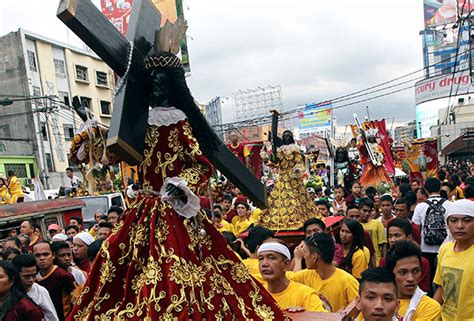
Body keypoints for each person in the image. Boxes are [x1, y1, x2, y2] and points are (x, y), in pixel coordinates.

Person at [66, 50, 287, 320]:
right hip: (143, 208)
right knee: (116, 258)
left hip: (175, 206)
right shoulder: (138, 120)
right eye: (153, 80)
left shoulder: (180, 122)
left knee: (177, 267)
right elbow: (114, 152)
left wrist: (181, 184)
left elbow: (202, 164)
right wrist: (89, 121)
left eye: (163, 80)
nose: (157, 85)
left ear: (172, 85)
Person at [260, 129, 321, 230]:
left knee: (295, 199)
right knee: (279, 199)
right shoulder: (279, 150)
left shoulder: (295, 149)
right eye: (284, 136)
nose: (286, 137)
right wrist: (266, 158)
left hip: (293, 177)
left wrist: (296, 170)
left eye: (288, 136)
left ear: (292, 137)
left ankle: (296, 219)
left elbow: (299, 162)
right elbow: (275, 163)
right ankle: (280, 220)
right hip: (282, 178)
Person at [290, 233, 359, 312]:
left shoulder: (348, 282)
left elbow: (358, 311)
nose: (304, 256)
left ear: (314, 257)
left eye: (305, 252)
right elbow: (286, 280)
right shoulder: (306, 274)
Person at [257, 240, 327, 312]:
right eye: (261, 259)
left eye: (271, 258)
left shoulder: (306, 295)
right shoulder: (257, 295)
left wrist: (305, 316)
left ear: (286, 264)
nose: (264, 264)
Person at [433, 199, 474, 321]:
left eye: (467, 220)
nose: (460, 226)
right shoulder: (445, 250)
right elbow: (441, 288)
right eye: (454, 220)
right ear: (447, 224)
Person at [385, 241, 441, 321]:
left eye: (415, 271)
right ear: (390, 273)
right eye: (403, 272)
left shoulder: (430, 307)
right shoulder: (376, 302)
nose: (410, 278)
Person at [412, 177, 450, 285]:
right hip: (445, 248)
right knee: (443, 280)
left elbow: (415, 228)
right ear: (440, 188)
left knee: (428, 280)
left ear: (426, 190)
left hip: (425, 248)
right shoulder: (449, 205)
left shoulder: (420, 207)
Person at [380, 218, 431, 292]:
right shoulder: (384, 261)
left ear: (409, 238)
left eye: (397, 235)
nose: (392, 240)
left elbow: (423, 290)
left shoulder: (423, 262)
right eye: (390, 236)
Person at [33, 241, 76, 321]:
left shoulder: (63, 276)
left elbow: (76, 301)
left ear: (53, 255)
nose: (42, 258)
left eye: (46, 254)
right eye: (37, 255)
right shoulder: (33, 278)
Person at [12, 254, 59, 321]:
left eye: (34, 275)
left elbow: (52, 317)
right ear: (16, 274)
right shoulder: (8, 290)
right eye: (26, 276)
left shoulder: (40, 291)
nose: (31, 280)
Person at [358, 198, 387, 266]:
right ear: (359, 209)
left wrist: (384, 262)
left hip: (377, 263)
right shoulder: (356, 225)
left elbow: (383, 244)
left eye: (369, 211)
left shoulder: (377, 223)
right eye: (364, 211)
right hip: (361, 263)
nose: (367, 213)